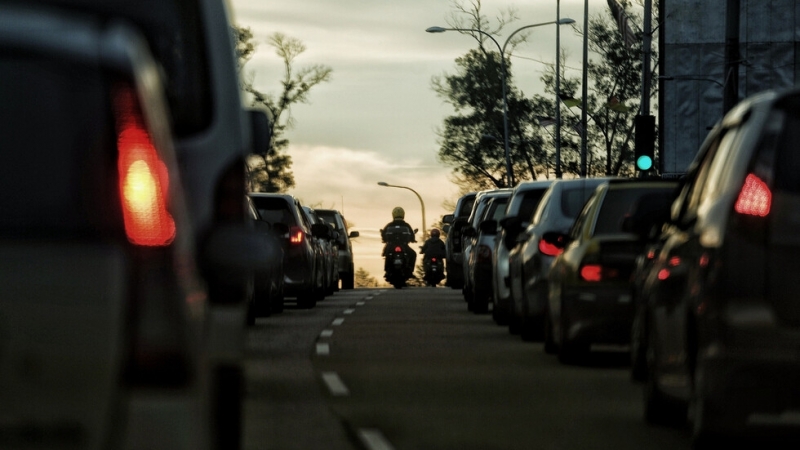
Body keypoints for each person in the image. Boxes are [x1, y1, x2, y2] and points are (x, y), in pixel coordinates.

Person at [381, 206, 417, 278]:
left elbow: (383, 233)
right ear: (403, 214)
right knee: (413, 254)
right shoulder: (406, 225)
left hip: (391, 245)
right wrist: (413, 239)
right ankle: (410, 270)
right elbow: (412, 234)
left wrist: (384, 239)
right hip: (403, 245)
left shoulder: (389, 225)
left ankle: (387, 270)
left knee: (386, 254)